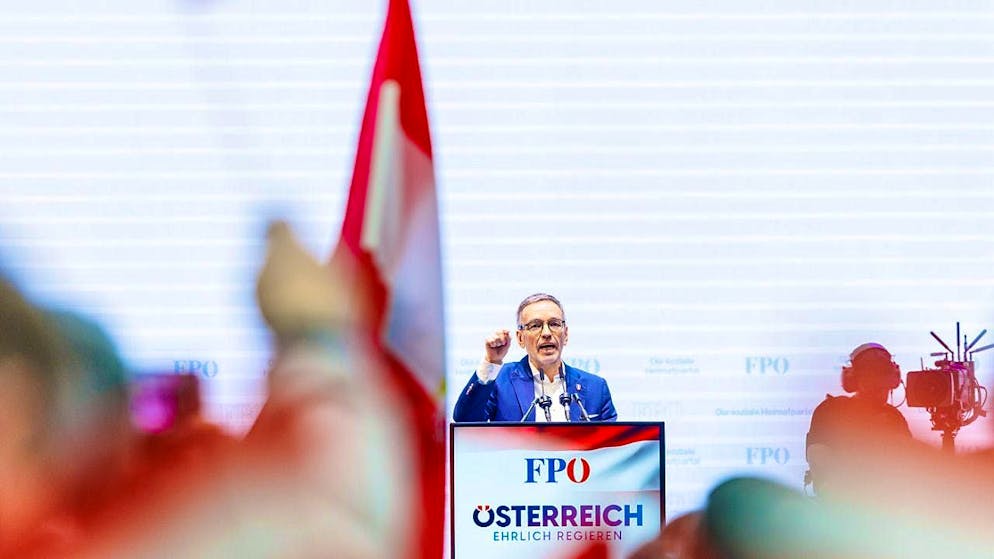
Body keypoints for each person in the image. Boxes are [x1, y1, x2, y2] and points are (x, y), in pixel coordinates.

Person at [453, 293, 616, 422]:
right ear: (520, 338)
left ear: (565, 334)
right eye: (535, 326)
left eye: (554, 324)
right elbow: (465, 420)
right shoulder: (500, 380)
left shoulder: (596, 388)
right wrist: (491, 362)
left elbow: (612, 450)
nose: (546, 333)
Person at [804, 342, 911, 496]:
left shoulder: (894, 418)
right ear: (855, 380)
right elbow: (820, 463)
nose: (879, 390)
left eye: (883, 381)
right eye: (872, 381)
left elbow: (909, 468)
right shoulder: (831, 411)